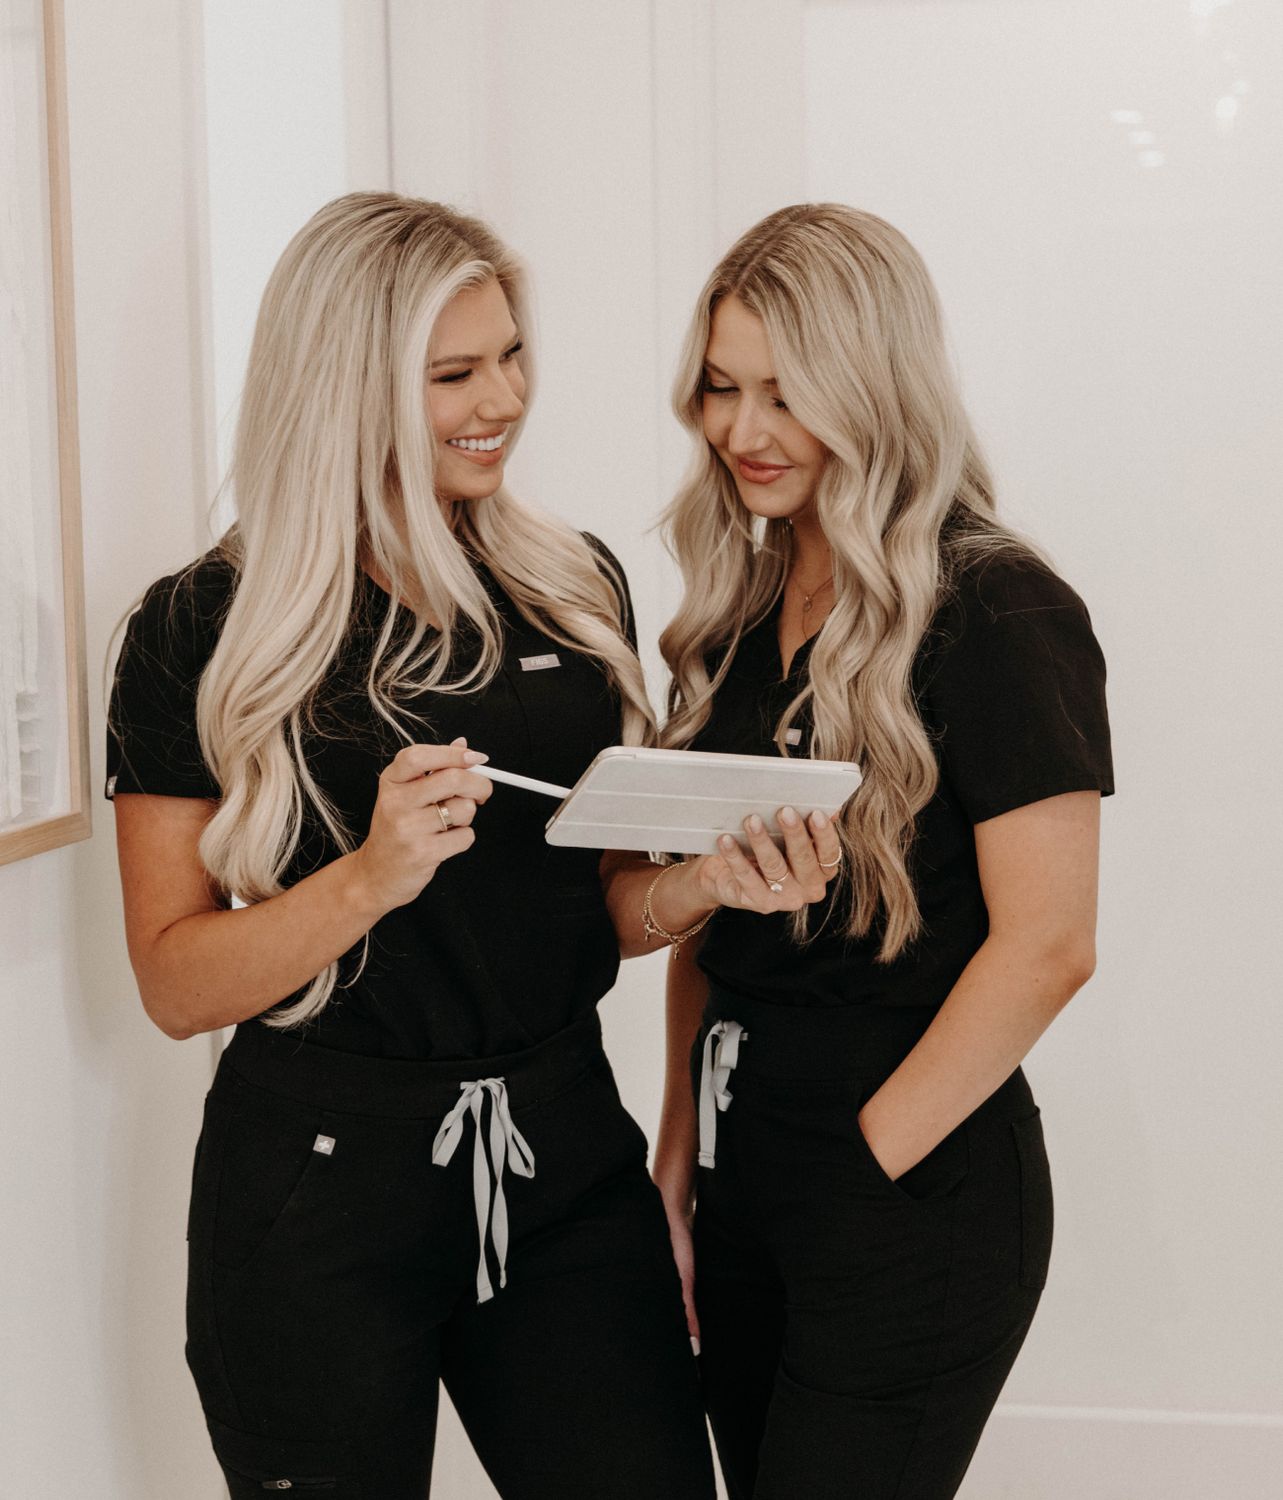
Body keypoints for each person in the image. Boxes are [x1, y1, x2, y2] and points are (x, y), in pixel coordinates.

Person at [107, 191, 715, 1500]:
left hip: (561, 1154)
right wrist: (372, 875)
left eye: (509, 356)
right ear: (349, 386)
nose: (502, 397)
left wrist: (700, 886)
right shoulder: (198, 630)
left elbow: (604, 904)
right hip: (314, 1187)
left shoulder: (575, 584)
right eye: (454, 373)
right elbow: (172, 984)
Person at [640, 203, 1114, 1499]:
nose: (742, 431)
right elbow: (716, 936)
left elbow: (1051, 944)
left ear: (874, 384)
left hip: (909, 1192)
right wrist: (678, 1161)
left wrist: (863, 1161)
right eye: (722, 389)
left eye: (787, 394)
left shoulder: (1000, 607)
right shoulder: (738, 612)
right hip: (740, 1175)